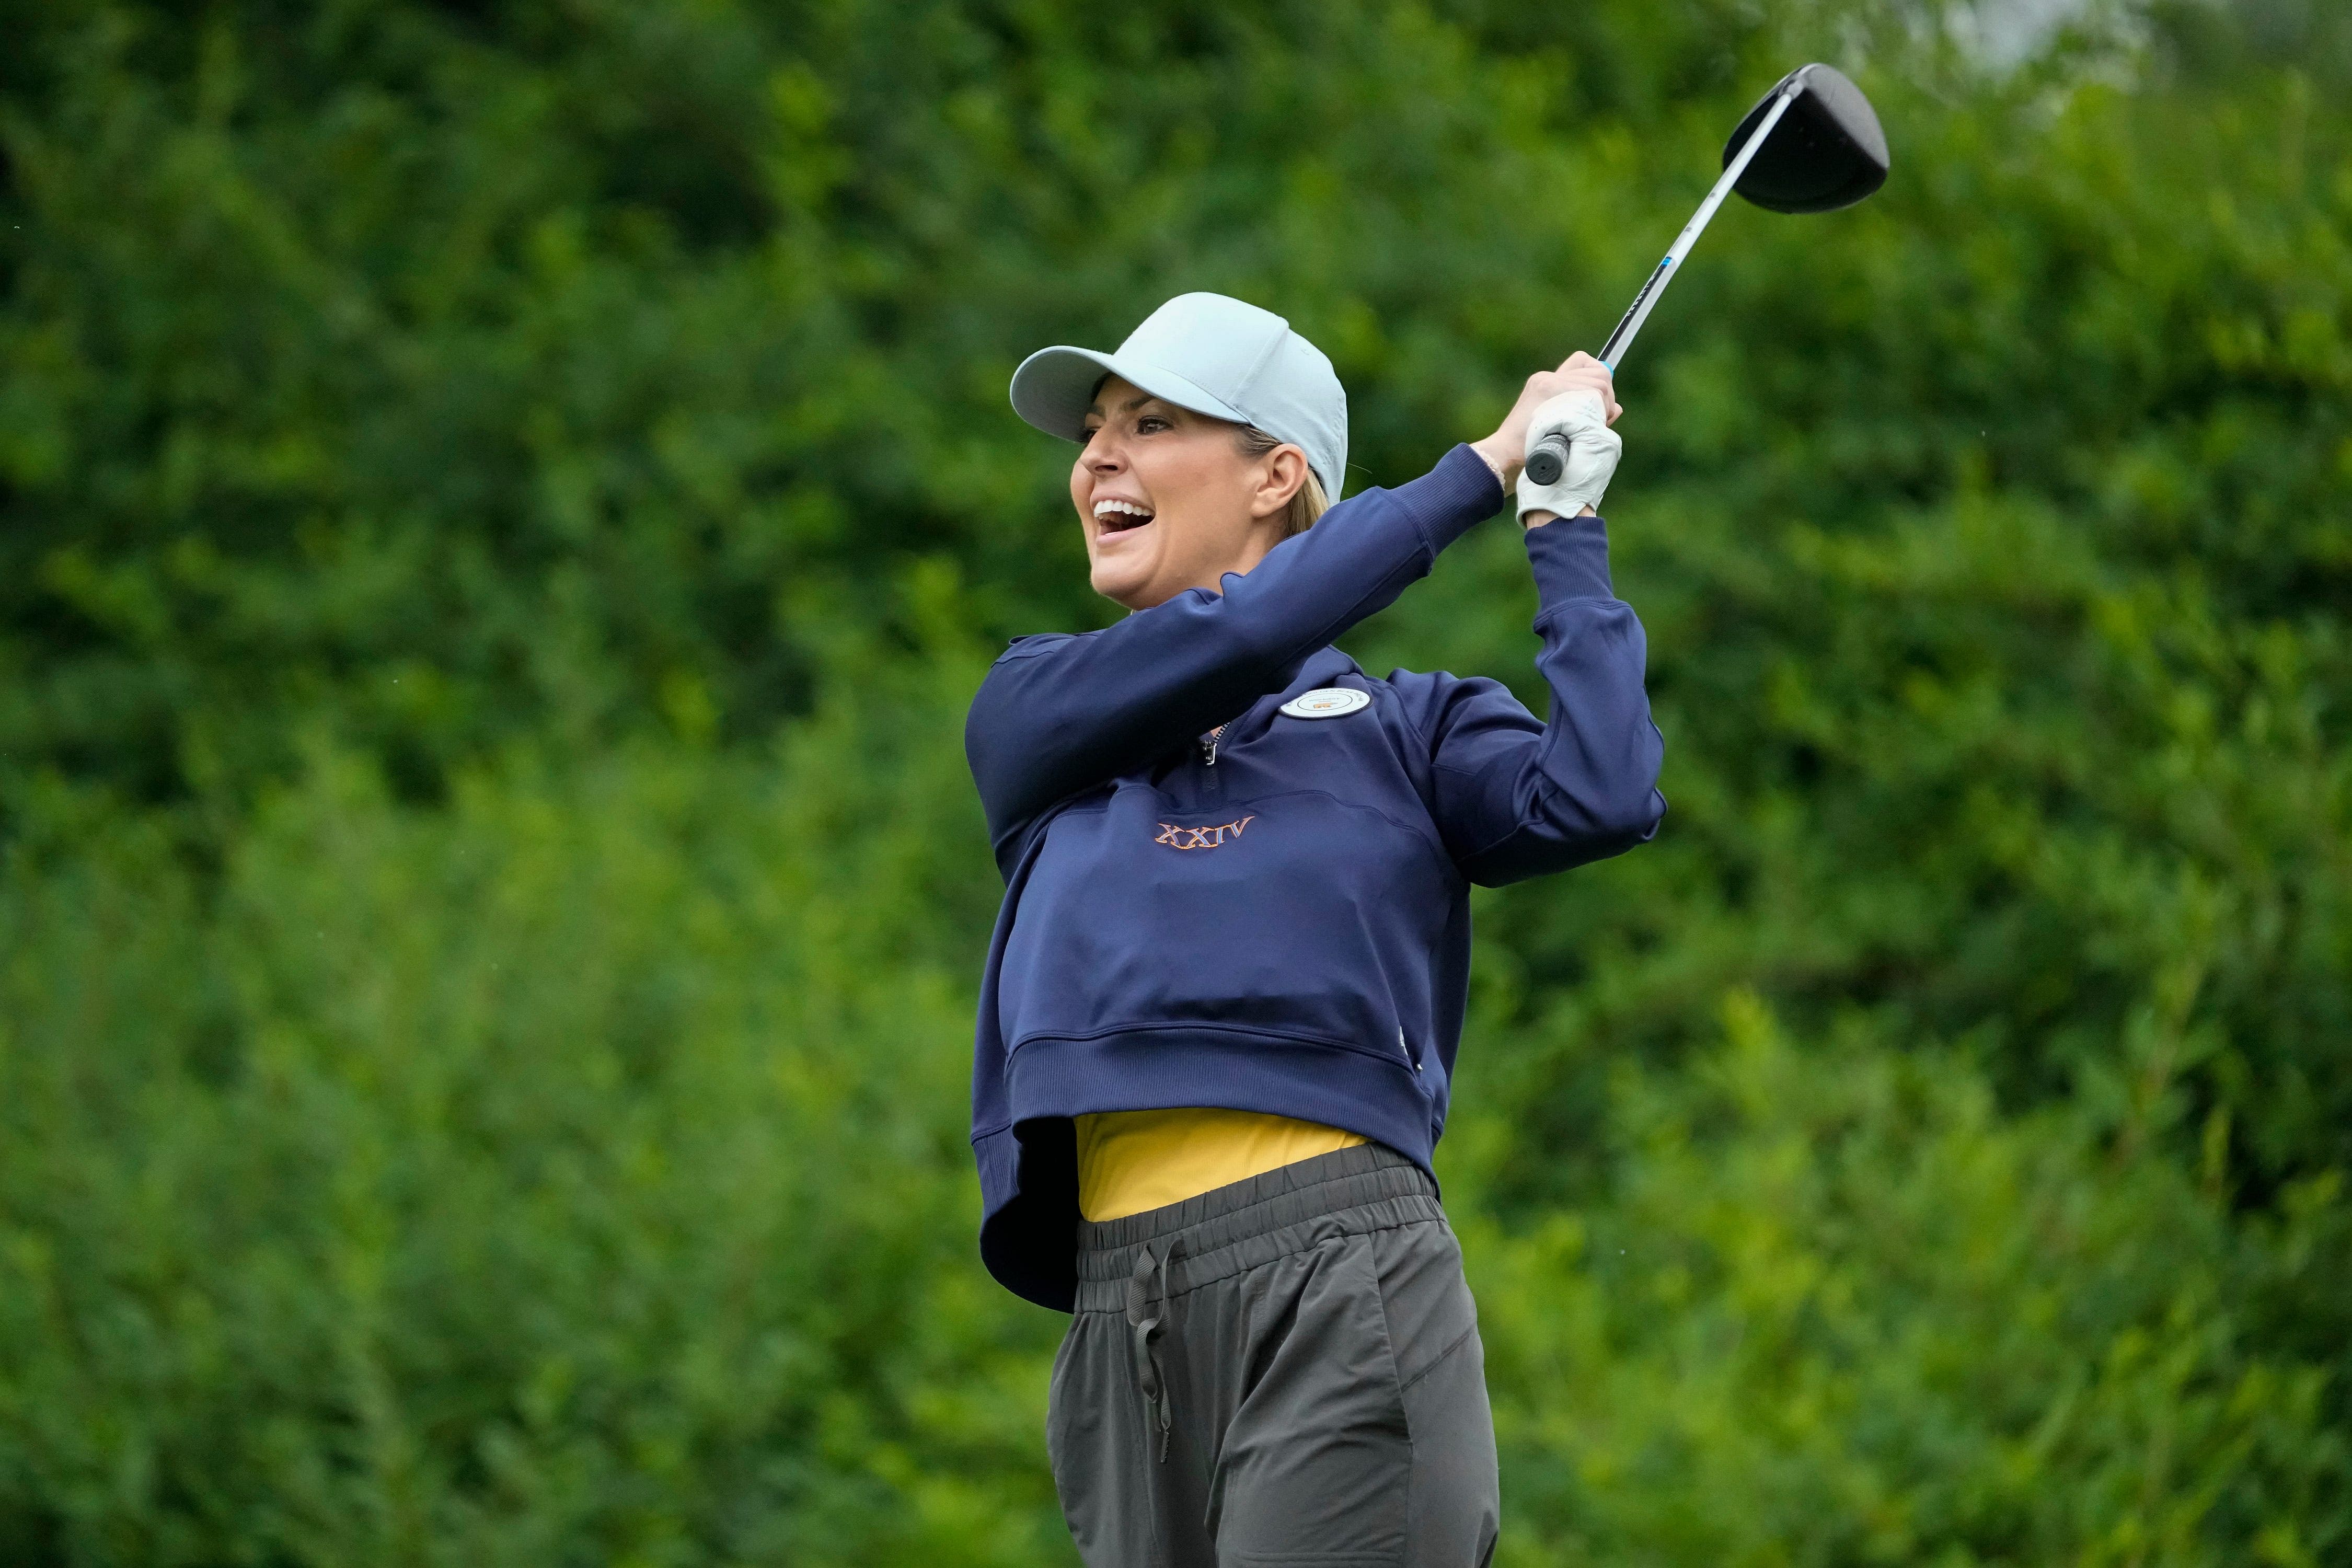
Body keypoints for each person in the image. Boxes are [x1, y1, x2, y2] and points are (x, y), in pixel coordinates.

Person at [964, 292, 1664, 1568]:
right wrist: (1475, 469)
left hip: (1342, 1269)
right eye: (1094, 433)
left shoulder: (1412, 729)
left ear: (1278, 476)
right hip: (1122, 1318)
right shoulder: (1039, 713)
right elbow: (1248, 627)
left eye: (1151, 422)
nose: (1097, 459)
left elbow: (1603, 796)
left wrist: (1559, 525)